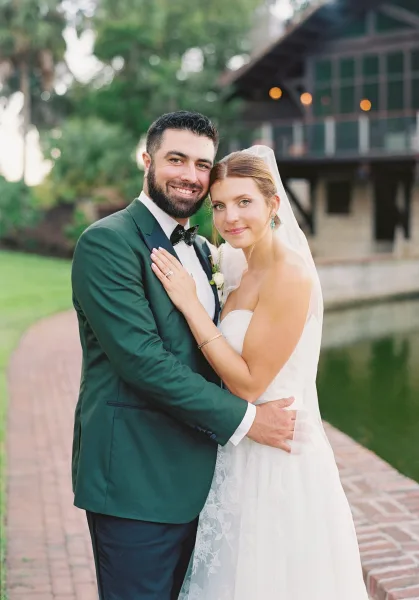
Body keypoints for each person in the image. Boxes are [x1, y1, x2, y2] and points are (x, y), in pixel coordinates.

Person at [71, 112, 296, 600]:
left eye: (201, 164)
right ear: (147, 160)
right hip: (136, 481)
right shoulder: (108, 243)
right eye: (176, 159)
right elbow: (144, 362)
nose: (190, 175)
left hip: (205, 484)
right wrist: (248, 420)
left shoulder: (205, 248)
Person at [151, 146, 369, 600]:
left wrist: (192, 306)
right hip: (237, 451)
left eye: (244, 202)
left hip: (278, 459)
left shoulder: (290, 276)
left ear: (273, 204)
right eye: (221, 205)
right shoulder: (234, 263)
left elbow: (247, 383)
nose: (231, 217)